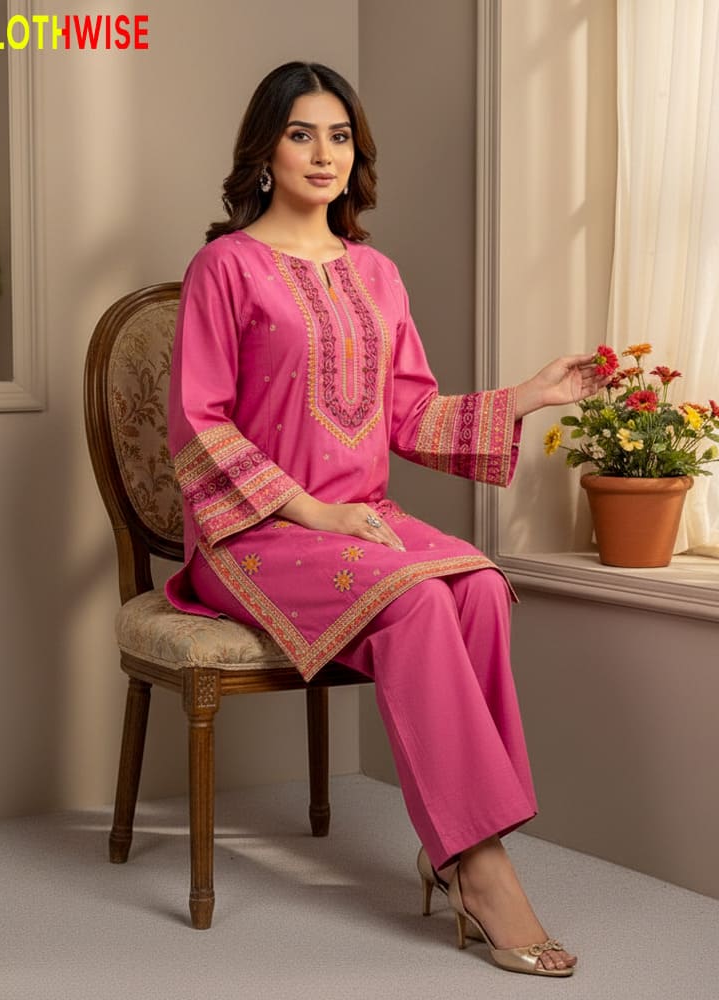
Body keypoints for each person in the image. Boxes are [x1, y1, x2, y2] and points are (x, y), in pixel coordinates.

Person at [167, 61, 602, 977]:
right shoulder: (224, 267)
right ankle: (479, 869)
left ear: (354, 150)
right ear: (264, 150)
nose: (322, 153)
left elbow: (409, 416)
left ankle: (452, 848)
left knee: (479, 587)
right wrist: (315, 509)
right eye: (299, 134)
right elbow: (197, 426)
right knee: (415, 603)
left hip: (358, 521)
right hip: (255, 534)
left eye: (337, 135)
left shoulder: (376, 274)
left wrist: (528, 396)